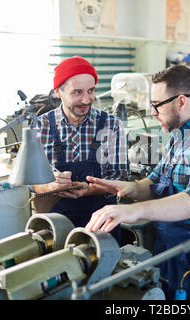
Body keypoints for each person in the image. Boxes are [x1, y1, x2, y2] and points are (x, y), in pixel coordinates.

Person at [85, 65, 190, 300]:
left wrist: (135, 210)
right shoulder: (178, 136)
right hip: (169, 249)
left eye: (157, 105)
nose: (152, 112)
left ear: (181, 101)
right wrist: (131, 189)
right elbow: (156, 181)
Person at [31, 56, 129, 244]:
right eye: (77, 92)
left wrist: (90, 190)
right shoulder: (40, 126)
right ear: (58, 92)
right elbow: (31, 181)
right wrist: (50, 187)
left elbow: (120, 177)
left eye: (90, 91)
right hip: (55, 227)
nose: (86, 99)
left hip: (102, 224)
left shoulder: (110, 125)